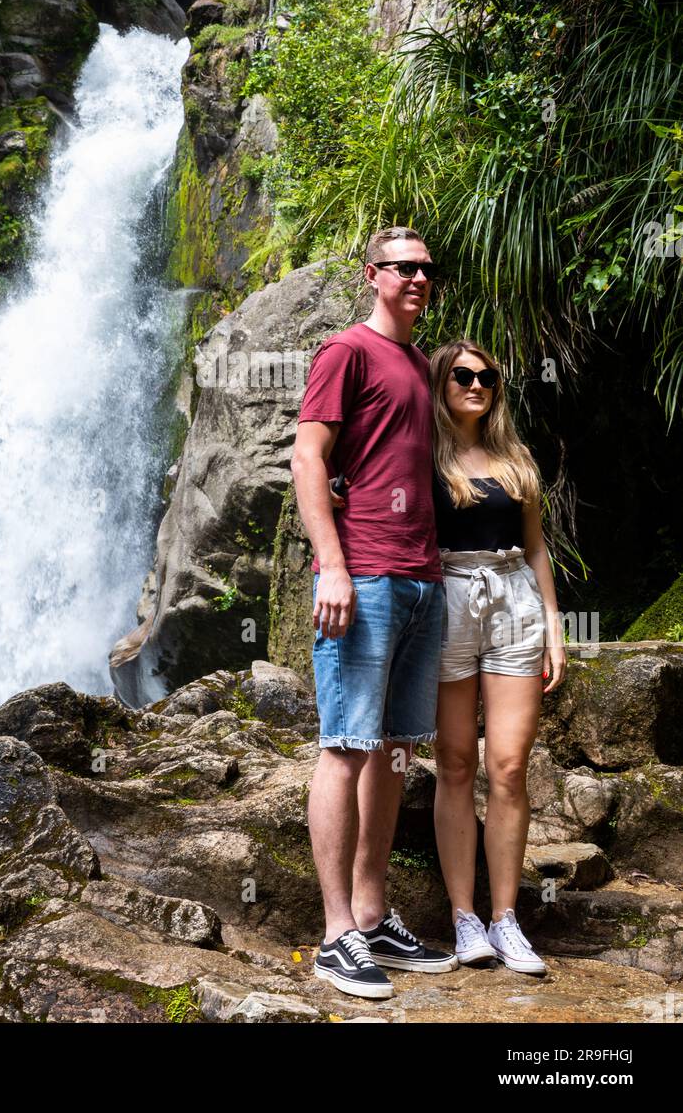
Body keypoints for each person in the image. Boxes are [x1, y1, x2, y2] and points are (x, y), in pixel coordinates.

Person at [291, 225, 457, 1000]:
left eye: (426, 269)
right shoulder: (345, 352)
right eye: (403, 267)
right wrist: (333, 564)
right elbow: (309, 456)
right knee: (347, 744)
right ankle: (334, 936)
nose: (418, 278)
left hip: (422, 578)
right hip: (366, 574)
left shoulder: (421, 366)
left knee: (394, 749)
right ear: (372, 275)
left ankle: (372, 911)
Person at [427, 339, 567, 975]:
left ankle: (506, 919)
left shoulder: (514, 459)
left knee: (509, 765)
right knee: (456, 762)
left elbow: (536, 549)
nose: (476, 384)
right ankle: (465, 920)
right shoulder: (423, 454)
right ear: (441, 383)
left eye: (487, 376)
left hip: (513, 599)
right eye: (462, 375)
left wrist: (555, 629)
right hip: (448, 596)